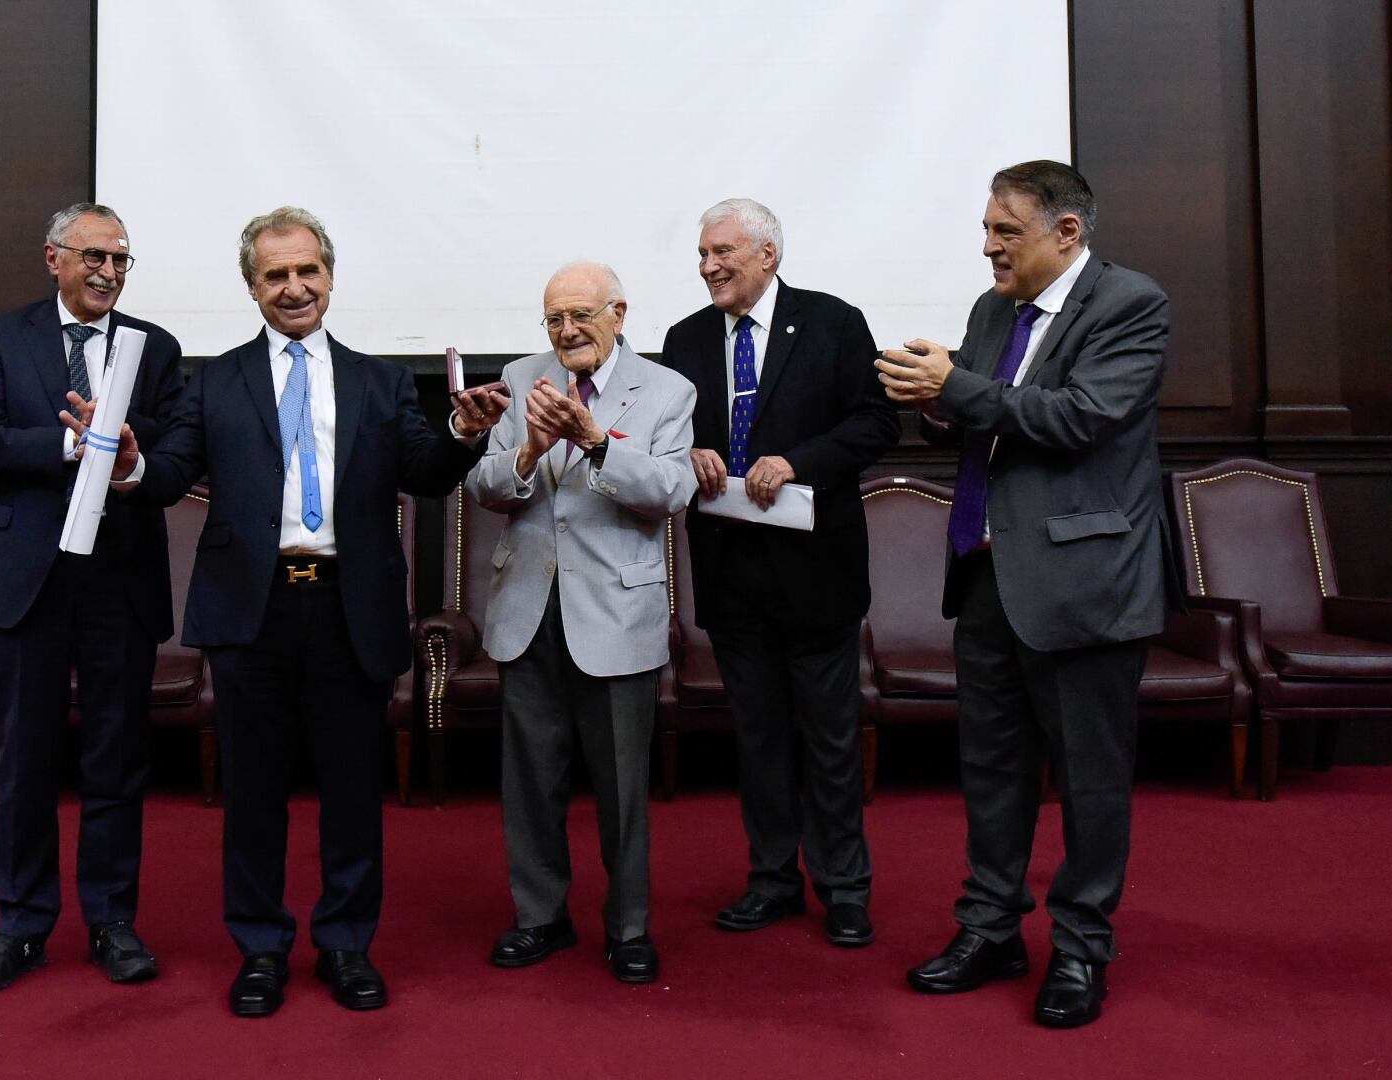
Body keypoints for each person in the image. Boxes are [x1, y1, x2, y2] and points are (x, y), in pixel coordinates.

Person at [115, 207, 506, 1018]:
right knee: (252, 792)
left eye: (307, 272)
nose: (294, 288)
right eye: (275, 276)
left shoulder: (380, 380)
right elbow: (170, 472)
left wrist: (463, 431)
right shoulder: (214, 379)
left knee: (353, 790)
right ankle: (259, 949)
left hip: (348, 607)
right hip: (249, 612)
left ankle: (345, 944)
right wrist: (131, 462)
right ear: (252, 287)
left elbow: (427, 473)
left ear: (329, 275)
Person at [875, 160, 1175, 1028]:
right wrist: (932, 404)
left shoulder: (1130, 305)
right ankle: (990, 928)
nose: (988, 246)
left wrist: (956, 389)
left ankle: (1081, 949)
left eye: (1005, 231)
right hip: (986, 575)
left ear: (1066, 233)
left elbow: (1079, 417)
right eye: (987, 228)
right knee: (993, 771)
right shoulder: (991, 310)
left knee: (1088, 779)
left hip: (1085, 584)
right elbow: (982, 411)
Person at [0, 202, 184, 993]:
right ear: (53, 258)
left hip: (118, 578)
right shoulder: (4, 335)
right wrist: (67, 442)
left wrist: (121, 450)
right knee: (26, 758)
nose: (109, 273)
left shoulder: (155, 347)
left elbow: (174, 441)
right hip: (28, 579)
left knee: (117, 759)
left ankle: (112, 921)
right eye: (94, 257)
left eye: (121, 261)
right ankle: (19, 924)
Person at [658, 198, 899, 949]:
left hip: (813, 571)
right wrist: (688, 451)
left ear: (768, 254)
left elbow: (877, 424)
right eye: (702, 255)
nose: (709, 266)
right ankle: (772, 880)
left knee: (828, 739)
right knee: (758, 739)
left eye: (723, 251)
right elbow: (665, 435)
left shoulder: (833, 323)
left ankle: (845, 888)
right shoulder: (684, 338)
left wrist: (800, 462)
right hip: (730, 574)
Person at [467, 262, 696, 984]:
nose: (566, 333)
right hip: (526, 608)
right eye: (554, 319)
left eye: (581, 317)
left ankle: (628, 929)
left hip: (616, 613)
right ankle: (540, 917)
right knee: (530, 779)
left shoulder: (667, 389)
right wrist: (530, 451)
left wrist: (598, 441)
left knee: (624, 786)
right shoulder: (521, 375)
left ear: (618, 313)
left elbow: (667, 492)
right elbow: (483, 485)